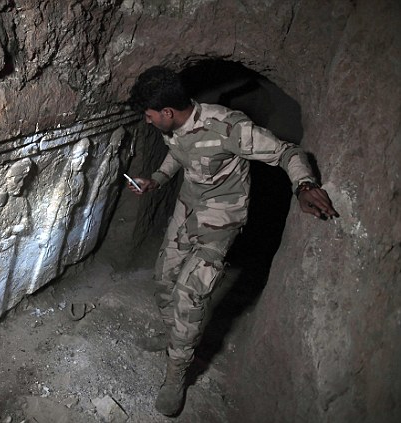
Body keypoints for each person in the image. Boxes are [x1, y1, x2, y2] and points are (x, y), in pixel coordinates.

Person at [126, 66, 338, 417]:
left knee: (190, 295)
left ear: (167, 112)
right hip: (186, 212)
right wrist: (157, 180)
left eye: (149, 117)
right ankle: (176, 340)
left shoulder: (228, 127)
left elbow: (287, 152)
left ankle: (177, 373)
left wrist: (303, 185)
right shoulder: (173, 125)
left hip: (222, 221)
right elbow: (176, 154)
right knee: (163, 280)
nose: (148, 123)